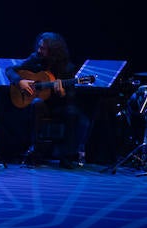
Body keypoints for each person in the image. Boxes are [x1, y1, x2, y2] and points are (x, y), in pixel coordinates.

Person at [6, 32, 90, 167]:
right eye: (39, 47)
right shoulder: (35, 59)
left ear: (53, 51)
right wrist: (19, 81)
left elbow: (71, 97)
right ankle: (35, 152)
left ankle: (66, 157)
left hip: (59, 105)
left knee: (73, 113)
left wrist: (62, 93)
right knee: (36, 104)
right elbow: (10, 70)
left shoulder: (67, 67)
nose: (39, 50)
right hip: (40, 103)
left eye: (43, 48)